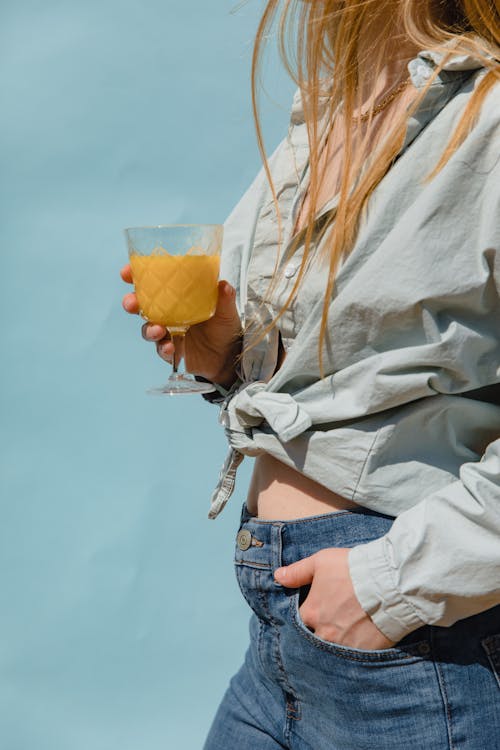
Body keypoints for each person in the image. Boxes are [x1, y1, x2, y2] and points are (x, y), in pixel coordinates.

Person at [121, 1, 500, 747]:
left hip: (411, 650)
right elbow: (343, 384)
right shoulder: (331, 118)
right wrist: (231, 361)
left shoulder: (487, 122)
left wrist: (385, 587)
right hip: (279, 633)